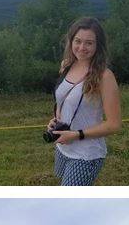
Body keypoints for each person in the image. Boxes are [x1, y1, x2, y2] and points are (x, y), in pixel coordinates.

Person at [47, 17, 121, 185]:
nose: (81, 47)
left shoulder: (104, 76)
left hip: (86, 154)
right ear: (71, 41)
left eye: (89, 43)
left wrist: (76, 134)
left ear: (98, 46)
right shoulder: (66, 65)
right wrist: (55, 120)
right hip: (62, 146)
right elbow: (63, 100)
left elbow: (114, 124)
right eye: (78, 41)